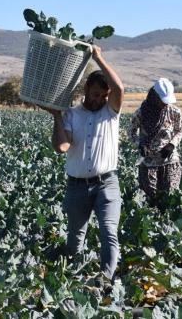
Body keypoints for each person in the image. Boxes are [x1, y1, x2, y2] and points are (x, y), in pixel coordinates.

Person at [41, 44, 124, 282]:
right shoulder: (72, 114)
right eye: (96, 94)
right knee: (75, 237)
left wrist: (99, 57)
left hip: (106, 183)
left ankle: (106, 279)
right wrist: (56, 116)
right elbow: (61, 147)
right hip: (77, 186)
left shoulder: (111, 112)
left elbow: (119, 87)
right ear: (87, 89)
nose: (100, 99)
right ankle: (74, 280)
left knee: (109, 231)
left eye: (104, 96)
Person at [129, 78, 182, 206]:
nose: (165, 104)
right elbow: (131, 131)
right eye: (162, 101)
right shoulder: (141, 113)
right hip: (148, 162)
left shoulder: (175, 112)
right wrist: (139, 144)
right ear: (155, 97)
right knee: (150, 199)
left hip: (169, 160)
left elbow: (179, 130)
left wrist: (172, 144)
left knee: (170, 196)